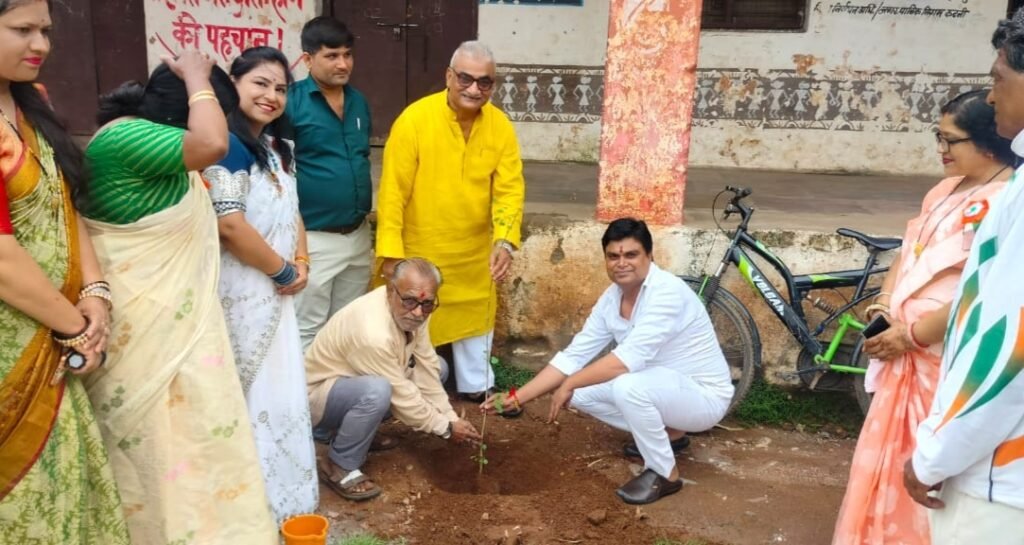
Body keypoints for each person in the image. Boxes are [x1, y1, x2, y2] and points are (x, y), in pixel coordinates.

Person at [78, 52, 277, 544]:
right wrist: (196, 74)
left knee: (196, 441)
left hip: (180, 328)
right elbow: (212, 143)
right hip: (143, 331)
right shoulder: (126, 138)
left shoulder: (158, 150)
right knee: (152, 447)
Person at [832, 90, 1013, 545]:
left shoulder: (1007, 200)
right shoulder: (943, 190)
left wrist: (911, 335)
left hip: (940, 360)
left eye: (951, 140)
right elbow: (908, 251)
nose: (941, 149)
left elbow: (984, 297)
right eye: (938, 137)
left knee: (928, 468)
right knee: (885, 462)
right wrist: (884, 301)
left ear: (987, 141)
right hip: (904, 355)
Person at [483, 219, 733, 505]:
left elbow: (623, 361)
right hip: (664, 389)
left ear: (650, 256)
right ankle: (671, 435)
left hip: (703, 398)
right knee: (578, 395)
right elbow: (574, 355)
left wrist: (570, 382)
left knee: (627, 387)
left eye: (631, 255)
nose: (621, 263)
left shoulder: (667, 292)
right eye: (613, 256)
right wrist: (517, 398)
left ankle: (664, 473)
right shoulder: (612, 298)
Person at [0, 1, 129, 542]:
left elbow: (64, 205)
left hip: (53, 331)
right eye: (22, 30)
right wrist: (75, 327)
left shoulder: (32, 103)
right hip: (14, 342)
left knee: (65, 475)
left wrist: (95, 293)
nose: (41, 45)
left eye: (46, 31)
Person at [902, 15, 1024, 544]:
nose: (992, 96)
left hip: (998, 477)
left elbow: (1009, 346)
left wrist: (935, 455)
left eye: (999, 78)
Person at [203, 46, 318, 523]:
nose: (272, 95)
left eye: (281, 88)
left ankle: (283, 502)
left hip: (277, 292)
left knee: (280, 389)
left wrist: (302, 259)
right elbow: (229, 227)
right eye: (260, 83)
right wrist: (283, 271)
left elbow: (292, 211)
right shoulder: (225, 146)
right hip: (241, 294)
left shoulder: (277, 148)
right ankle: (246, 511)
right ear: (233, 84)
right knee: (247, 393)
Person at [376, 41, 525, 402]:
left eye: (485, 82)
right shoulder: (414, 119)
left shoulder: (500, 126)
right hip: (422, 245)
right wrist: (391, 253)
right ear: (448, 76)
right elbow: (392, 192)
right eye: (465, 79)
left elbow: (509, 189)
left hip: (473, 249)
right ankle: (402, 389)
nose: (474, 89)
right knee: (414, 313)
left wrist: (504, 240)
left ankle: (476, 384)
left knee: (476, 312)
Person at [306, 257, 482, 501]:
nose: (418, 312)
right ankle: (340, 464)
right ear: (391, 290)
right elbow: (400, 394)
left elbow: (427, 366)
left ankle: (354, 433)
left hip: (355, 384)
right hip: (317, 399)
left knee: (439, 368)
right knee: (378, 391)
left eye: (427, 304)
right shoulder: (372, 333)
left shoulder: (416, 308)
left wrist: (450, 417)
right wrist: (445, 428)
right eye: (410, 301)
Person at [287, 16, 373, 349]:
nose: (343, 64)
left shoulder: (358, 101)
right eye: (332, 56)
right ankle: (304, 386)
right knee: (307, 329)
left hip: (357, 235)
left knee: (347, 327)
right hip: (314, 239)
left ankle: (338, 382)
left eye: (347, 55)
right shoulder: (291, 104)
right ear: (308, 59)